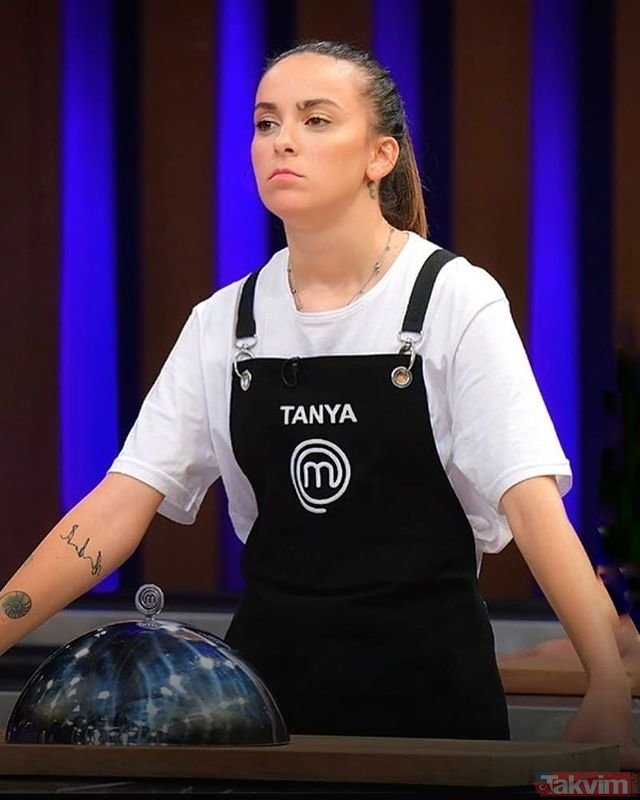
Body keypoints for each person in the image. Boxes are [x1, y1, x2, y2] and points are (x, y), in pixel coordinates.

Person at [1, 40, 639, 764]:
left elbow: (531, 505)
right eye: (266, 122)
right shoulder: (224, 321)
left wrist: (606, 681)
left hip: (434, 707)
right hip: (261, 711)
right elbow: (117, 506)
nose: (282, 141)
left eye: (315, 119)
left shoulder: (453, 298)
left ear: (380, 156)